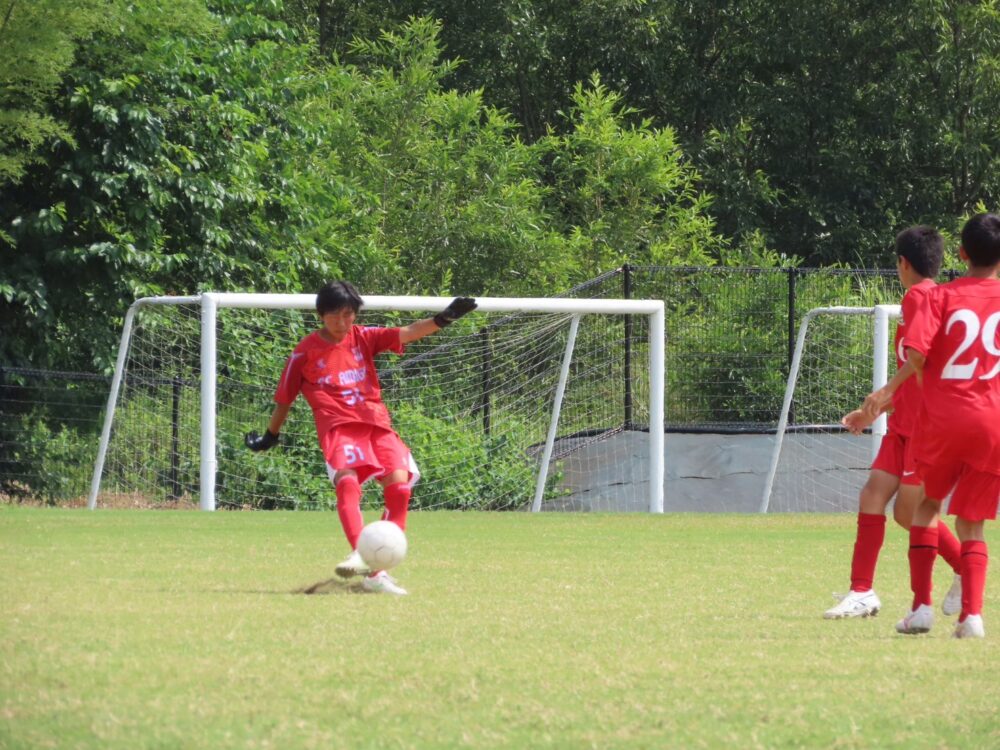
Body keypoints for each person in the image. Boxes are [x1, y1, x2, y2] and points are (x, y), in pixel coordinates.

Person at [245, 281, 477, 595]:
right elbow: (284, 400)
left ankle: (372, 567)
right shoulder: (304, 352)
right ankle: (367, 561)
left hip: (376, 423)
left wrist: (444, 318)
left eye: (348, 315)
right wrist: (270, 436)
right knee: (347, 482)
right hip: (338, 427)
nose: (342, 322)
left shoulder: (363, 337)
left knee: (400, 487)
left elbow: (408, 332)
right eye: (334, 315)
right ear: (320, 315)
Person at [861, 213, 1000, 638]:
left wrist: (888, 391)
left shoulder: (941, 296)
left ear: (961, 253)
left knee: (925, 508)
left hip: (943, 420)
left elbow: (917, 354)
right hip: (991, 422)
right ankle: (972, 617)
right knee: (972, 522)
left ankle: (921, 608)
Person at [826, 226, 963, 619]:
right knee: (872, 495)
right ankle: (862, 591)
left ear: (902, 263)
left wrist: (883, 393)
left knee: (908, 512)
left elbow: (920, 360)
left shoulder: (920, 297)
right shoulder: (932, 297)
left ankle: (963, 569)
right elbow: (917, 371)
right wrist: (874, 410)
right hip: (905, 424)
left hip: (925, 429)